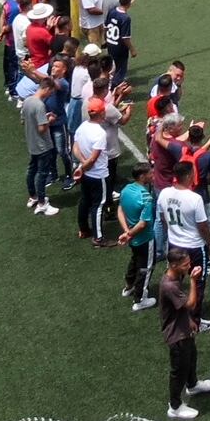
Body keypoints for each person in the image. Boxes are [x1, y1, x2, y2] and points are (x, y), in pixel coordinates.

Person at [158, 252, 210, 420]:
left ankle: (193, 384)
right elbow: (190, 304)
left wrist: (189, 320)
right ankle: (174, 406)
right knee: (179, 370)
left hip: (184, 328)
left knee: (191, 358)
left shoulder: (176, 276)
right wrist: (193, 280)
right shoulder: (169, 285)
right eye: (185, 264)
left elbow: (181, 307)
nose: (189, 267)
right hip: (176, 335)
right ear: (174, 265)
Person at [71, 98, 114, 244]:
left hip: (87, 175)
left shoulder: (83, 126)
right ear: (101, 112)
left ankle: (83, 229)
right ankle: (98, 237)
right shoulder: (100, 133)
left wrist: (82, 164)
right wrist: (85, 165)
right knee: (99, 205)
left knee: (85, 201)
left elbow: (75, 148)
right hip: (98, 175)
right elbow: (93, 159)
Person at [118, 162, 158, 310]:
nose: (152, 175)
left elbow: (120, 210)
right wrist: (129, 234)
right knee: (146, 267)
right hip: (145, 238)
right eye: (150, 173)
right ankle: (140, 299)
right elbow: (143, 224)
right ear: (142, 176)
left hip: (133, 237)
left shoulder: (126, 189)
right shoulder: (145, 197)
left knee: (134, 261)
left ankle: (129, 286)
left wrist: (127, 232)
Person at [20, 80, 59, 217]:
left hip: (32, 143)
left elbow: (23, 120)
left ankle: (33, 196)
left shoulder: (27, 101)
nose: (50, 95)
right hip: (43, 145)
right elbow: (42, 128)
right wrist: (50, 120)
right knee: (42, 174)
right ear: (47, 88)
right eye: (51, 92)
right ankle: (42, 204)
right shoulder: (40, 105)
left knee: (31, 171)